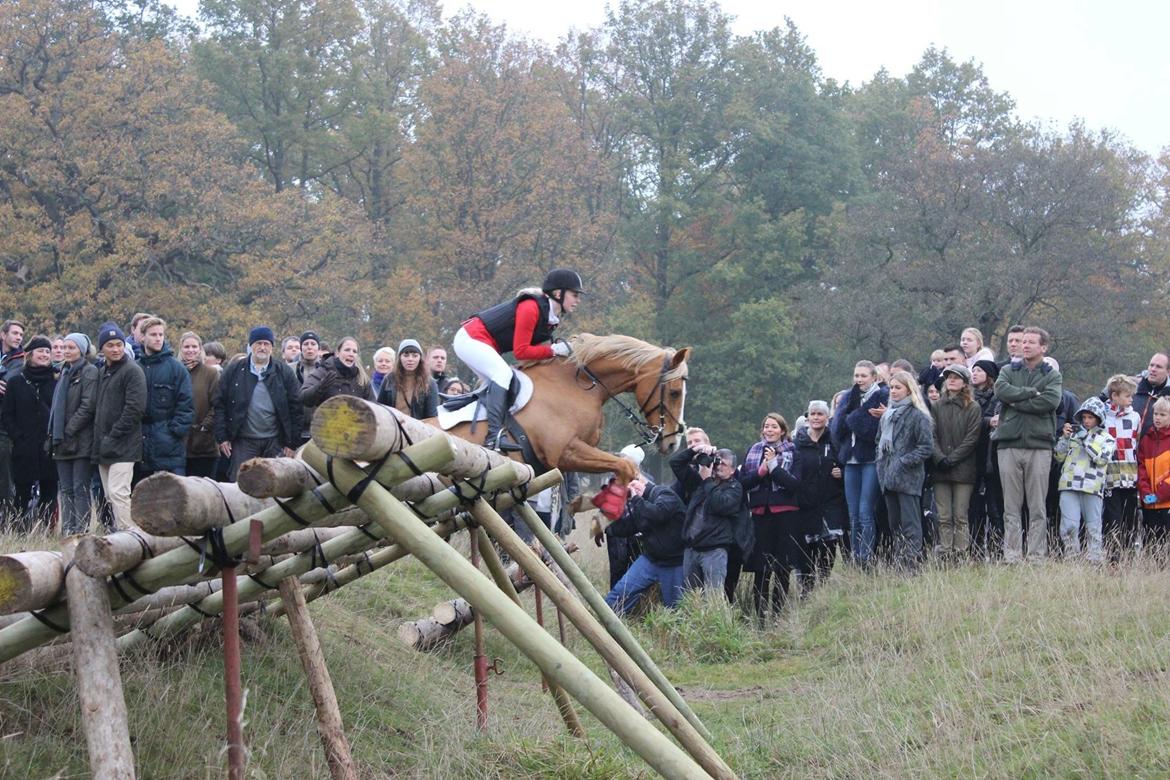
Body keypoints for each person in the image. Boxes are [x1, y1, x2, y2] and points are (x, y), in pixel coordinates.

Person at [453, 268, 582, 449]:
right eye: (575, 295)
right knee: (503, 375)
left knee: (507, 382)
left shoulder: (551, 318)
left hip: (483, 342)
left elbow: (530, 349)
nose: (578, 300)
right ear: (558, 293)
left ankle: (485, 431)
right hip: (471, 337)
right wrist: (553, 351)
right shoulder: (531, 307)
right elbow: (521, 352)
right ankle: (493, 437)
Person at [994, 326, 1062, 563]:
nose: (1025, 345)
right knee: (1010, 505)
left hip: (1039, 446)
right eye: (1023, 341)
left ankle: (1036, 555)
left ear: (1043, 347)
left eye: (1031, 342)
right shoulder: (1007, 370)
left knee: (1037, 506)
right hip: (1009, 444)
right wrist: (1031, 392)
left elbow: (1050, 401)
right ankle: (1012, 554)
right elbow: (1001, 391)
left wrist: (1017, 401)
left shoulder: (1052, 375)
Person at [213, 326, 303, 480]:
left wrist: (292, 443)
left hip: (276, 441)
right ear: (251, 345)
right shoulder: (234, 370)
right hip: (243, 441)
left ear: (272, 347)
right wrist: (222, 437)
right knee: (240, 485)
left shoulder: (284, 372)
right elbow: (219, 403)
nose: (262, 347)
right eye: (258, 343)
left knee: (276, 486)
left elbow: (296, 408)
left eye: (266, 344)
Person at [737, 413, 803, 617]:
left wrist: (773, 466)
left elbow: (794, 484)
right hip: (759, 513)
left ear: (782, 430)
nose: (769, 430)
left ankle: (778, 611)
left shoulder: (793, 452)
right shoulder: (753, 450)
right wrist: (761, 471)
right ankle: (759, 610)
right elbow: (743, 483)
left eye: (774, 427)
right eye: (766, 426)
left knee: (783, 565)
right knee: (760, 566)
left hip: (785, 514)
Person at [672, 444, 751, 597]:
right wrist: (694, 450)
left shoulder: (735, 488)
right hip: (692, 548)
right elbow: (675, 463)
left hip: (714, 551)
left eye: (723, 464)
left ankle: (716, 622)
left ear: (733, 470)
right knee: (691, 598)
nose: (718, 466)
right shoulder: (700, 482)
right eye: (716, 462)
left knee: (713, 598)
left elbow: (720, 505)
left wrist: (707, 479)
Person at [602, 474, 687, 616]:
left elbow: (657, 514)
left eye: (634, 484)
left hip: (673, 563)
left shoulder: (665, 494)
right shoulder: (640, 504)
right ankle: (604, 622)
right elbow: (629, 527)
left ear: (642, 481)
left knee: (674, 609)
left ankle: (673, 636)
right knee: (619, 593)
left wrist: (635, 498)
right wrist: (607, 524)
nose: (633, 488)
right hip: (650, 559)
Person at [830, 360, 888, 566]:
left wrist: (852, 417)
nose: (859, 380)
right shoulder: (848, 396)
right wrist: (854, 415)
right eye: (856, 375)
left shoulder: (883, 396)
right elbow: (837, 430)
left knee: (865, 511)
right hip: (851, 461)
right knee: (853, 513)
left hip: (871, 459)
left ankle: (866, 556)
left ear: (874, 377)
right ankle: (855, 556)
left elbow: (872, 432)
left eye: (864, 376)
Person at [876, 371, 934, 572]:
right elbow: (878, 442)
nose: (893, 391)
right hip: (888, 476)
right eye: (891, 387)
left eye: (897, 387)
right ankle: (900, 563)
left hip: (908, 477)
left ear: (909, 389)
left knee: (911, 524)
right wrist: (882, 465)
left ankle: (911, 565)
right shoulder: (887, 416)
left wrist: (903, 461)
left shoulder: (919, 416)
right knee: (895, 525)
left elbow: (926, 447)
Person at [92, 322, 147, 530]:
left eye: (119, 344)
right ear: (102, 349)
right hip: (104, 445)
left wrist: (113, 435)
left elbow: (135, 409)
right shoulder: (103, 372)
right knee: (109, 495)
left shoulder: (132, 371)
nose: (115, 349)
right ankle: (118, 536)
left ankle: (131, 537)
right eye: (110, 345)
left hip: (124, 445)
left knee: (118, 493)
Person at [789, 400, 846, 590]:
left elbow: (844, 463)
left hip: (830, 502)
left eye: (819, 414)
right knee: (806, 551)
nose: (815, 418)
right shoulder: (798, 443)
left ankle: (823, 588)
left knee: (828, 548)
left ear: (827, 417)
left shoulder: (834, 440)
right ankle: (806, 590)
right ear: (807, 418)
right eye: (812, 414)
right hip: (805, 504)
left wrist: (841, 473)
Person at [2, 336, 58, 530]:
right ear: (29, 354)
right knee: (22, 490)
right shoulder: (17, 382)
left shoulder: (57, 380)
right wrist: (18, 437)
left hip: (49, 445)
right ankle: (18, 529)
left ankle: (43, 528)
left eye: (47, 352)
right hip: (24, 445)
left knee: (50, 488)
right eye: (41, 351)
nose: (45, 355)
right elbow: (7, 414)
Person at [930, 364, 983, 559]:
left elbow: (972, 438)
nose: (951, 380)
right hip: (940, 468)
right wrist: (939, 458)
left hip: (964, 469)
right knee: (944, 516)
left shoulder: (973, 407)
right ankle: (945, 551)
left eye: (956, 377)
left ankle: (961, 553)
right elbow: (931, 435)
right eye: (948, 377)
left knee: (961, 515)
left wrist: (952, 458)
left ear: (965, 383)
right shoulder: (936, 405)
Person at [1054, 398, 1115, 562]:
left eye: (1091, 417)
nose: (1087, 421)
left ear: (1099, 419)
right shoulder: (1074, 435)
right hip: (1069, 484)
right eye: (1084, 417)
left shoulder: (1107, 438)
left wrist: (1085, 439)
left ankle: (1095, 559)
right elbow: (1058, 456)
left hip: (1092, 486)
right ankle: (1072, 558)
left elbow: (1101, 459)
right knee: (1068, 526)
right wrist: (1065, 438)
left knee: (1093, 527)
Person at [50, 333, 98, 534]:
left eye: (71, 347)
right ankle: (67, 530)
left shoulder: (89, 371)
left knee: (80, 488)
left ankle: (81, 530)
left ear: (82, 350)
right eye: (64, 347)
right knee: (66, 489)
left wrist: (69, 429)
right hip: (61, 440)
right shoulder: (64, 372)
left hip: (81, 440)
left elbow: (88, 406)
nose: (67, 351)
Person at [137, 317, 194, 481]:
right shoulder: (136, 367)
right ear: (142, 337)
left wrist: (173, 432)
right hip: (140, 445)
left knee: (174, 498)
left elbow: (186, 405)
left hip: (170, 446)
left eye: (161, 334)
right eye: (153, 334)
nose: (158, 338)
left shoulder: (176, 368)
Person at [1102, 374, 1141, 560]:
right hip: (1110, 475)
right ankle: (1113, 556)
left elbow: (1137, 443)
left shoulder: (1135, 417)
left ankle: (1127, 554)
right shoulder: (1103, 416)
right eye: (1127, 395)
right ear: (1114, 396)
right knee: (1113, 517)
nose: (1131, 399)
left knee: (1129, 517)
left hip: (1130, 474)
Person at [969, 359, 1003, 559]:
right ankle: (975, 550)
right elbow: (971, 422)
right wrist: (988, 421)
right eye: (973, 370)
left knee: (995, 506)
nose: (974, 373)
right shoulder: (969, 397)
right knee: (974, 508)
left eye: (979, 370)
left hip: (993, 457)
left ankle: (997, 549)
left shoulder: (998, 397)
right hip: (972, 457)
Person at [179, 332, 220, 479]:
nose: (190, 350)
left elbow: (217, 404)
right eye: (187, 346)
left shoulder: (211, 373)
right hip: (179, 443)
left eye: (194, 346)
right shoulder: (175, 371)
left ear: (200, 349)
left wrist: (205, 427)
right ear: (181, 349)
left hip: (204, 445)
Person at [302, 336, 377, 409]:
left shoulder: (361, 378)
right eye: (347, 350)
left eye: (354, 351)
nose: (351, 354)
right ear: (337, 353)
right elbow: (304, 398)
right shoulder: (324, 371)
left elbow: (373, 406)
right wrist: (320, 387)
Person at [1137, 398, 1170, 555]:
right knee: (1149, 544)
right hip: (1149, 503)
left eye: (1163, 414)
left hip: (1166, 503)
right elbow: (1141, 468)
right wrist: (1145, 493)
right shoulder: (1146, 439)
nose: (1157, 418)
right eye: (1156, 414)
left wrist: (1159, 495)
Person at [376, 339, 438, 418]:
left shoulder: (429, 383)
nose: (410, 359)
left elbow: (432, 417)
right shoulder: (389, 379)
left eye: (415, 355)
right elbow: (380, 410)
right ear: (400, 357)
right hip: (392, 427)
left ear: (420, 358)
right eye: (406, 355)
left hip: (418, 428)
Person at [0, 319, 26, 509]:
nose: (18, 338)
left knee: (5, 477)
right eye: (15, 333)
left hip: (5, 426)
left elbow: (7, 384)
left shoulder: (19, 360)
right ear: (3, 334)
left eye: (21, 335)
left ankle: (7, 520)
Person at [295, 330, 324, 443]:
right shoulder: (290, 369)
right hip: (297, 428)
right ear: (301, 348)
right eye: (306, 344)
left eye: (313, 344)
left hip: (319, 428)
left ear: (318, 348)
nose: (309, 347)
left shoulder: (326, 369)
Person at [1133, 353, 1170, 437]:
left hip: (1157, 448)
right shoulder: (1132, 388)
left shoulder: (1168, 396)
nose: (1153, 369)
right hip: (1126, 447)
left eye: (1158, 367)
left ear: (1168, 372)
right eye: (1151, 365)